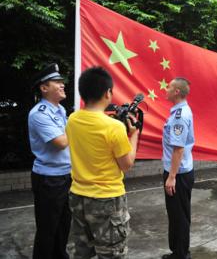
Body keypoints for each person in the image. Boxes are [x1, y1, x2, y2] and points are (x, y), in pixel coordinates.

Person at [66, 67, 139, 259]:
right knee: (112, 254)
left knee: (82, 252)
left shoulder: (72, 120)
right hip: (107, 200)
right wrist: (135, 135)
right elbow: (126, 164)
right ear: (108, 93)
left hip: (78, 195)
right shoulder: (113, 127)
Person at [28, 63, 72, 259]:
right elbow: (61, 142)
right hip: (48, 179)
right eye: (56, 82)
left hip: (65, 175)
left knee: (64, 225)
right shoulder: (39, 114)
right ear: (44, 88)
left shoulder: (60, 109)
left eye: (62, 82)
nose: (62, 85)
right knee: (47, 229)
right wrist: (79, 125)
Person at [161, 78, 195, 259]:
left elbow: (178, 148)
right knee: (176, 215)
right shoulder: (179, 112)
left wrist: (171, 176)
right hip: (179, 172)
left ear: (176, 92)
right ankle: (178, 252)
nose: (165, 89)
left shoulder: (180, 116)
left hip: (178, 174)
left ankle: (182, 255)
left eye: (169, 87)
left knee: (179, 217)